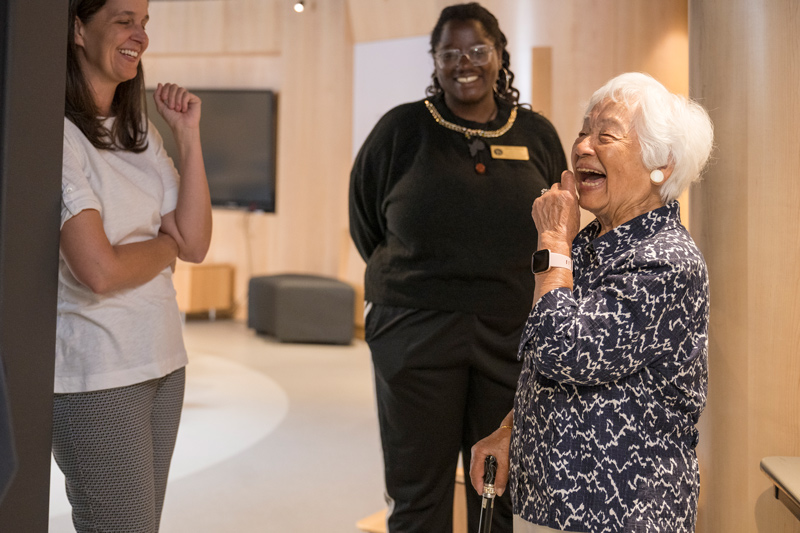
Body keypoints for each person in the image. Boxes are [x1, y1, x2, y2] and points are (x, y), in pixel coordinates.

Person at [349, 3, 566, 531]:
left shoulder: (536, 134)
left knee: (498, 489)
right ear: (435, 60)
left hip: (510, 335)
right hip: (414, 331)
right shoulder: (400, 130)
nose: (463, 62)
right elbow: (365, 223)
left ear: (499, 55)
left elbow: (560, 219)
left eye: (477, 49)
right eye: (449, 52)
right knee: (417, 488)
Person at [469, 72, 714, 533]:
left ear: (662, 162)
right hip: (554, 500)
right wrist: (510, 430)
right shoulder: (592, 242)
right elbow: (544, 358)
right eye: (583, 131)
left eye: (606, 135)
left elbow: (567, 351)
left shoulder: (665, 261)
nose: (582, 146)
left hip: (620, 510)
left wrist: (552, 242)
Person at [52, 0, 212, 531]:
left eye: (144, 23)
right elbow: (98, 270)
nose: (139, 35)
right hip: (99, 370)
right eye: (124, 19)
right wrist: (166, 245)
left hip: (163, 361)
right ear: (78, 28)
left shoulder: (140, 133)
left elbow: (197, 242)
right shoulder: (57, 138)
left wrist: (188, 136)